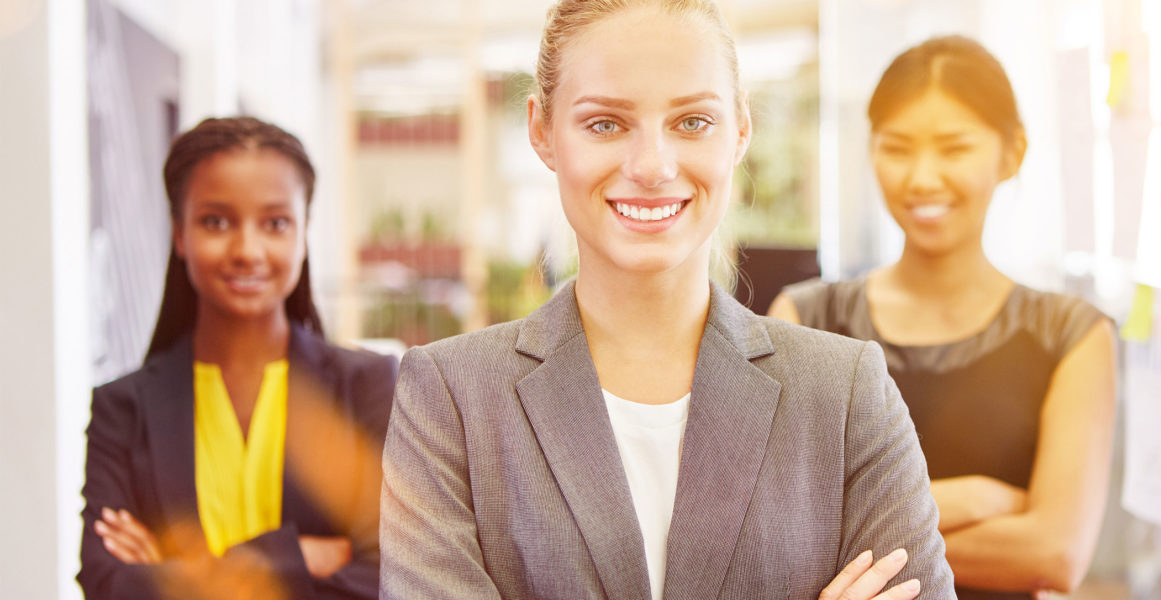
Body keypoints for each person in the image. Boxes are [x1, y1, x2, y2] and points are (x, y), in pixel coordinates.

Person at [378, 1, 954, 599]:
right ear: (542, 131)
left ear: (741, 129)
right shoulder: (449, 399)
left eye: (692, 122)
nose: (652, 166)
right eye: (605, 123)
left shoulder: (845, 393)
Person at [769, 36, 1117, 599]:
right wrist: (968, 501)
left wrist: (854, 533)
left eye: (954, 149)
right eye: (898, 148)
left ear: (1012, 153)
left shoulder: (1070, 335)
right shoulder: (806, 318)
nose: (922, 178)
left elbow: (1054, 554)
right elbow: (779, 537)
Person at [79, 117, 397, 600]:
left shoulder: (368, 387)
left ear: (303, 232)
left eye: (275, 223)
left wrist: (177, 572)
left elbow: (386, 578)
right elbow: (107, 585)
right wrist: (300, 558)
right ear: (179, 234)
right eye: (216, 222)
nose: (247, 250)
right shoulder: (122, 409)